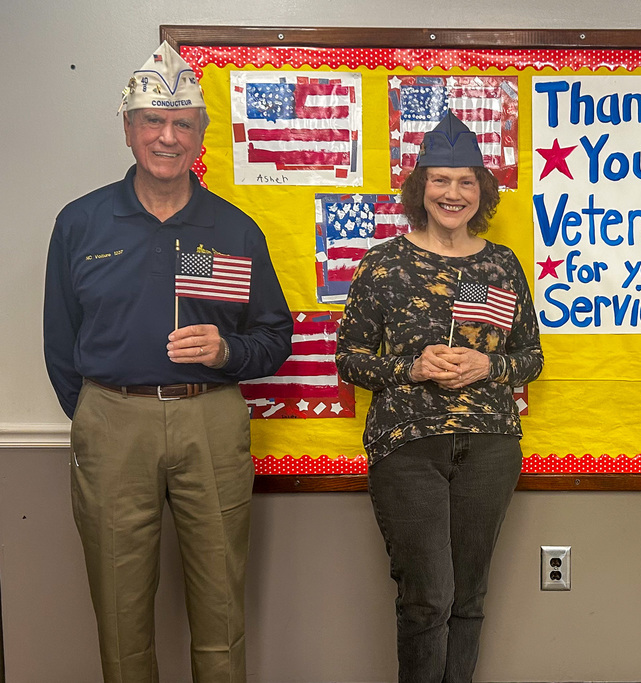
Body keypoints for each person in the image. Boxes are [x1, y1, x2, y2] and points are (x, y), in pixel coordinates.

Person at [43, 41, 293, 682]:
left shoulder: (232, 230)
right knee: (121, 612)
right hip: (111, 423)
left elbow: (274, 336)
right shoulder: (81, 223)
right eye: (153, 121)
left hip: (208, 419)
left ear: (200, 136)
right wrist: (103, 414)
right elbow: (60, 343)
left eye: (183, 124)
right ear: (128, 129)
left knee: (220, 606)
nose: (167, 137)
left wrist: (227, 351)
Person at [336, 112, 543, 682]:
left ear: (483, 191)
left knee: (470, 596)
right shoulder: (382, 264)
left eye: (466, 181)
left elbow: (532, 357)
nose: (453, 193)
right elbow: (349, 359)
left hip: (490, 445)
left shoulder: (500, 265)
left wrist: (487, 363)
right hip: (407, 448)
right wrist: (414, 366)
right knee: (429, 597)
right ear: (419, 188)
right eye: (440, 180)